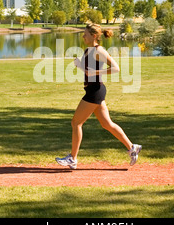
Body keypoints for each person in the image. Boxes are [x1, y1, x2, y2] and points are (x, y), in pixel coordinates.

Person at [56, 23, 142, 169]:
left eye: (85, 34)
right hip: (93, 90)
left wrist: (95, 73)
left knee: (76, 123)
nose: (83, 36)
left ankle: (73, 158)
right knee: (107, 124)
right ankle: (132, 147)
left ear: (94, 36)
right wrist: (80, 65)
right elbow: (89, 70)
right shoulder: (88, 50)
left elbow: (116, 68)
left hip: (95, 91)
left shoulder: (99, 50)